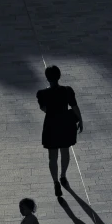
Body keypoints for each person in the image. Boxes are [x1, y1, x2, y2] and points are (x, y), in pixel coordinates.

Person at [36, 65, 83, 198]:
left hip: (51, 125)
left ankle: (55, 181)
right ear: (59, 76)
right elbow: (74, 106)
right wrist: (80, 120)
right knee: (65, 151)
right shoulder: (67, 90)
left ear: (47, 78)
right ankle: (63, 176)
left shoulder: (42, 94)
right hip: (65, 124)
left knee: (52, 156)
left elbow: (44, 109)